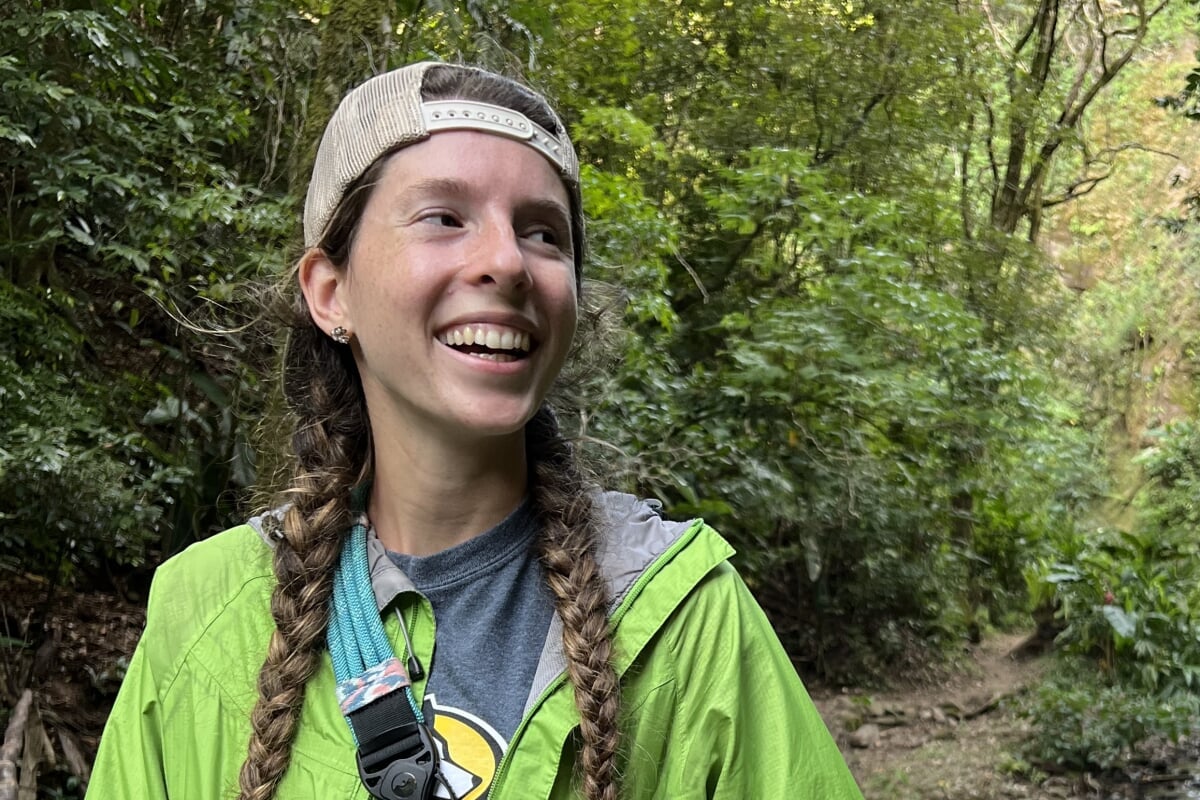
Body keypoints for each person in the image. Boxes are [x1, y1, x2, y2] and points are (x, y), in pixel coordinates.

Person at [88, 61, 864, 800]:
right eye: (444, 217)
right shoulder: (204, 616)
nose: (508, 262)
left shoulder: (682, 619)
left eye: (542, 233)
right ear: (331, 292)